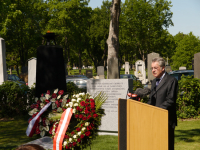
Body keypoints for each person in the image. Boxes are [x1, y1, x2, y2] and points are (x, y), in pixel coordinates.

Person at [147, 57, 178, 150]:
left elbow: (170, 100)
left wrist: (156, 111)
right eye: (152, 68)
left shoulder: (171, 81)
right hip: (154, 119)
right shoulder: (154, 82)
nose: (153, 70)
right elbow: (151, 100)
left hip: (166, 120)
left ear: (163, 68)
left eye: (155, 68)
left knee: (166, 146)